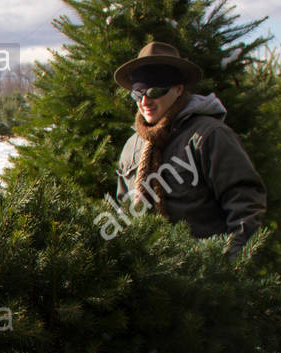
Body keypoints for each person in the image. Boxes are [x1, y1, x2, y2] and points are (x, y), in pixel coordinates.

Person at [113, 42, 266, 255]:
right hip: (147, 278)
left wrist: (232, 263)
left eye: (154, 90)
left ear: (178, 89)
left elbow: (244, 201)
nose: (145, 101)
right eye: (137, 94)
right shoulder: (132, 146)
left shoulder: (209, 136)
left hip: (204, 277)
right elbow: (123, 211)